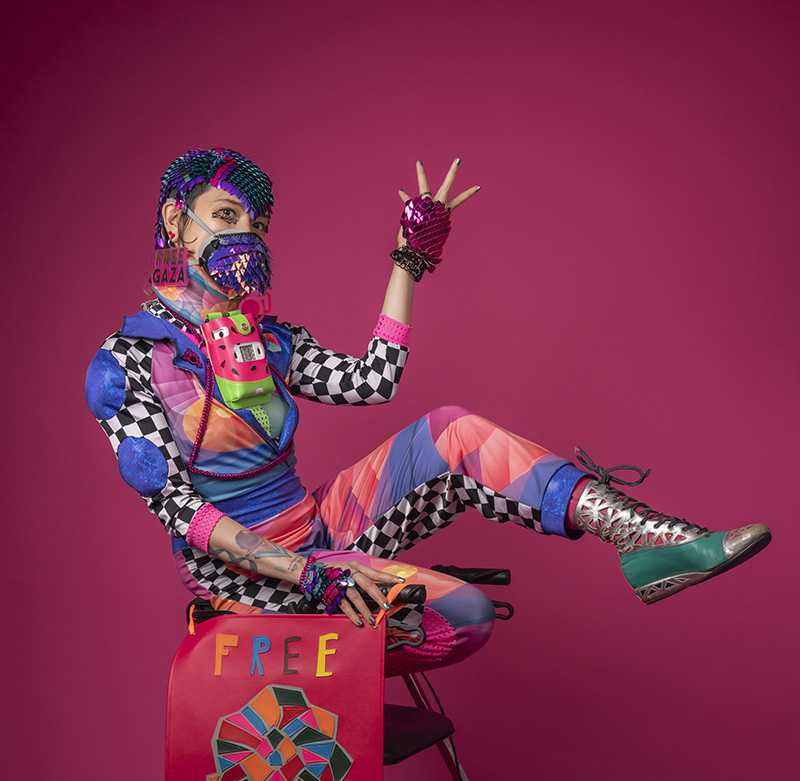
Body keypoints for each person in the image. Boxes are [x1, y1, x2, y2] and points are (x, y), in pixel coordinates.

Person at [86, 147, 771, 675]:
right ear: (178, 219)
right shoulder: (126, 364)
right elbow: (180, 512)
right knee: (463, 616)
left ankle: (643, 538)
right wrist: (305, 575)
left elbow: (373, 382)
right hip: (253, 584)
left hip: (322, 533)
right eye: (226, 215)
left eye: (256, 223)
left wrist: (411, 261)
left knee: (452, 430)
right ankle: (319, 647)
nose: (247, 236)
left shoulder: (268, 340)